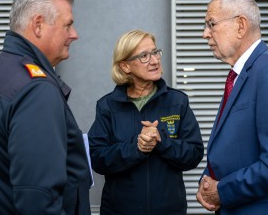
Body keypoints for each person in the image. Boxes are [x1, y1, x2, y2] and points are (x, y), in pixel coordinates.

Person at [0, 0, 92, 214]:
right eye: (68, 25)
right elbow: (38, 199)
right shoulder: (36, 90)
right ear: (38, 25)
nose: (74, 35)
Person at [196, 0, 268, 214]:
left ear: (240, 25)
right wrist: (207, 180)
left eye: (211, 24)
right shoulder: (243, 74)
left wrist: (223, 191)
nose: (204, 34)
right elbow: (236, 146)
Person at [87, 29, 204, 215]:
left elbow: (194, 155)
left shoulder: (177, 101)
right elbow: (97, 158)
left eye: (155, 52)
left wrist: (162, 141)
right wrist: (136, 147)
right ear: (125, 66)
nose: (155, 60)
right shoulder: (107, 106)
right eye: (144, 56)